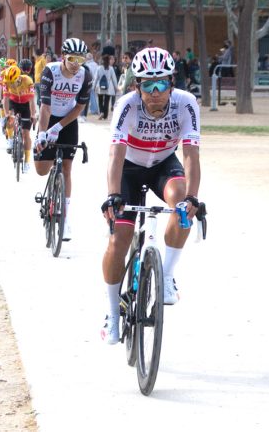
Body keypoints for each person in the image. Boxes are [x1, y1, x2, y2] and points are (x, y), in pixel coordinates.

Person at [100, 47, 201, 344]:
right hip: (129, 168)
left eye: (161, 84)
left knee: (182, 204)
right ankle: (112, 313)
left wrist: (193, 198)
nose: (155, 92)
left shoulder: (186, 103)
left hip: (163, 164)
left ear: (172, 82)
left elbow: (191, 155)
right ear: (136, 86)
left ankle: (167, 274)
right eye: (148, 84)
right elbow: (115, 154)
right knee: (119, 238)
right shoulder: (126, 105)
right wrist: (113, 195)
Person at [34, 38, 92, 240]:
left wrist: (59, 127)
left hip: (67, 122)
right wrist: (43, 133)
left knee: (67, 168)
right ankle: (51, 178)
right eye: (72, 59)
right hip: (48, 117)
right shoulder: (50, 71)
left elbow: (79, 107)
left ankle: (65, 220)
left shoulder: (85, 75)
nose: (76, 64)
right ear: (63, 57)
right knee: (41, 170)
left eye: (81, 59)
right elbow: (45, 106)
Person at [0, 65, 37, 172]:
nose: (10, 84)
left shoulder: (28, 80)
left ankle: (27, 162)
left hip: (26, 104)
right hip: (13, 102)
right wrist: (7, 114)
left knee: (26, 134)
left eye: (12, 81)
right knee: (10, 119)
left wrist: (33, 114)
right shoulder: (6, 82)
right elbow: (5, 99)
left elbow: (31, 101)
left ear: (19, 78)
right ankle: (11, 140)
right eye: (9, 82)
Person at [93, 54, 118, 120]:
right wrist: (116, 87)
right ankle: (105, 115)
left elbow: (95, 78)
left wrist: (93, 87)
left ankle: (101, 112)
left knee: (100, 100)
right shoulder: (111, 68)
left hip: (100, 86)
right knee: (107, 101)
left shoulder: (99, 68)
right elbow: (114, 79)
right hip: (109, 87)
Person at [80, 52, 100, 122]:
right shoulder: (96, 64)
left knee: (89, 97)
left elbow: (89, 74)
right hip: (96, 82)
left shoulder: (86, 65)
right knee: (94, 96)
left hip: (89, 82)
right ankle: (94, 109)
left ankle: (92, 110)